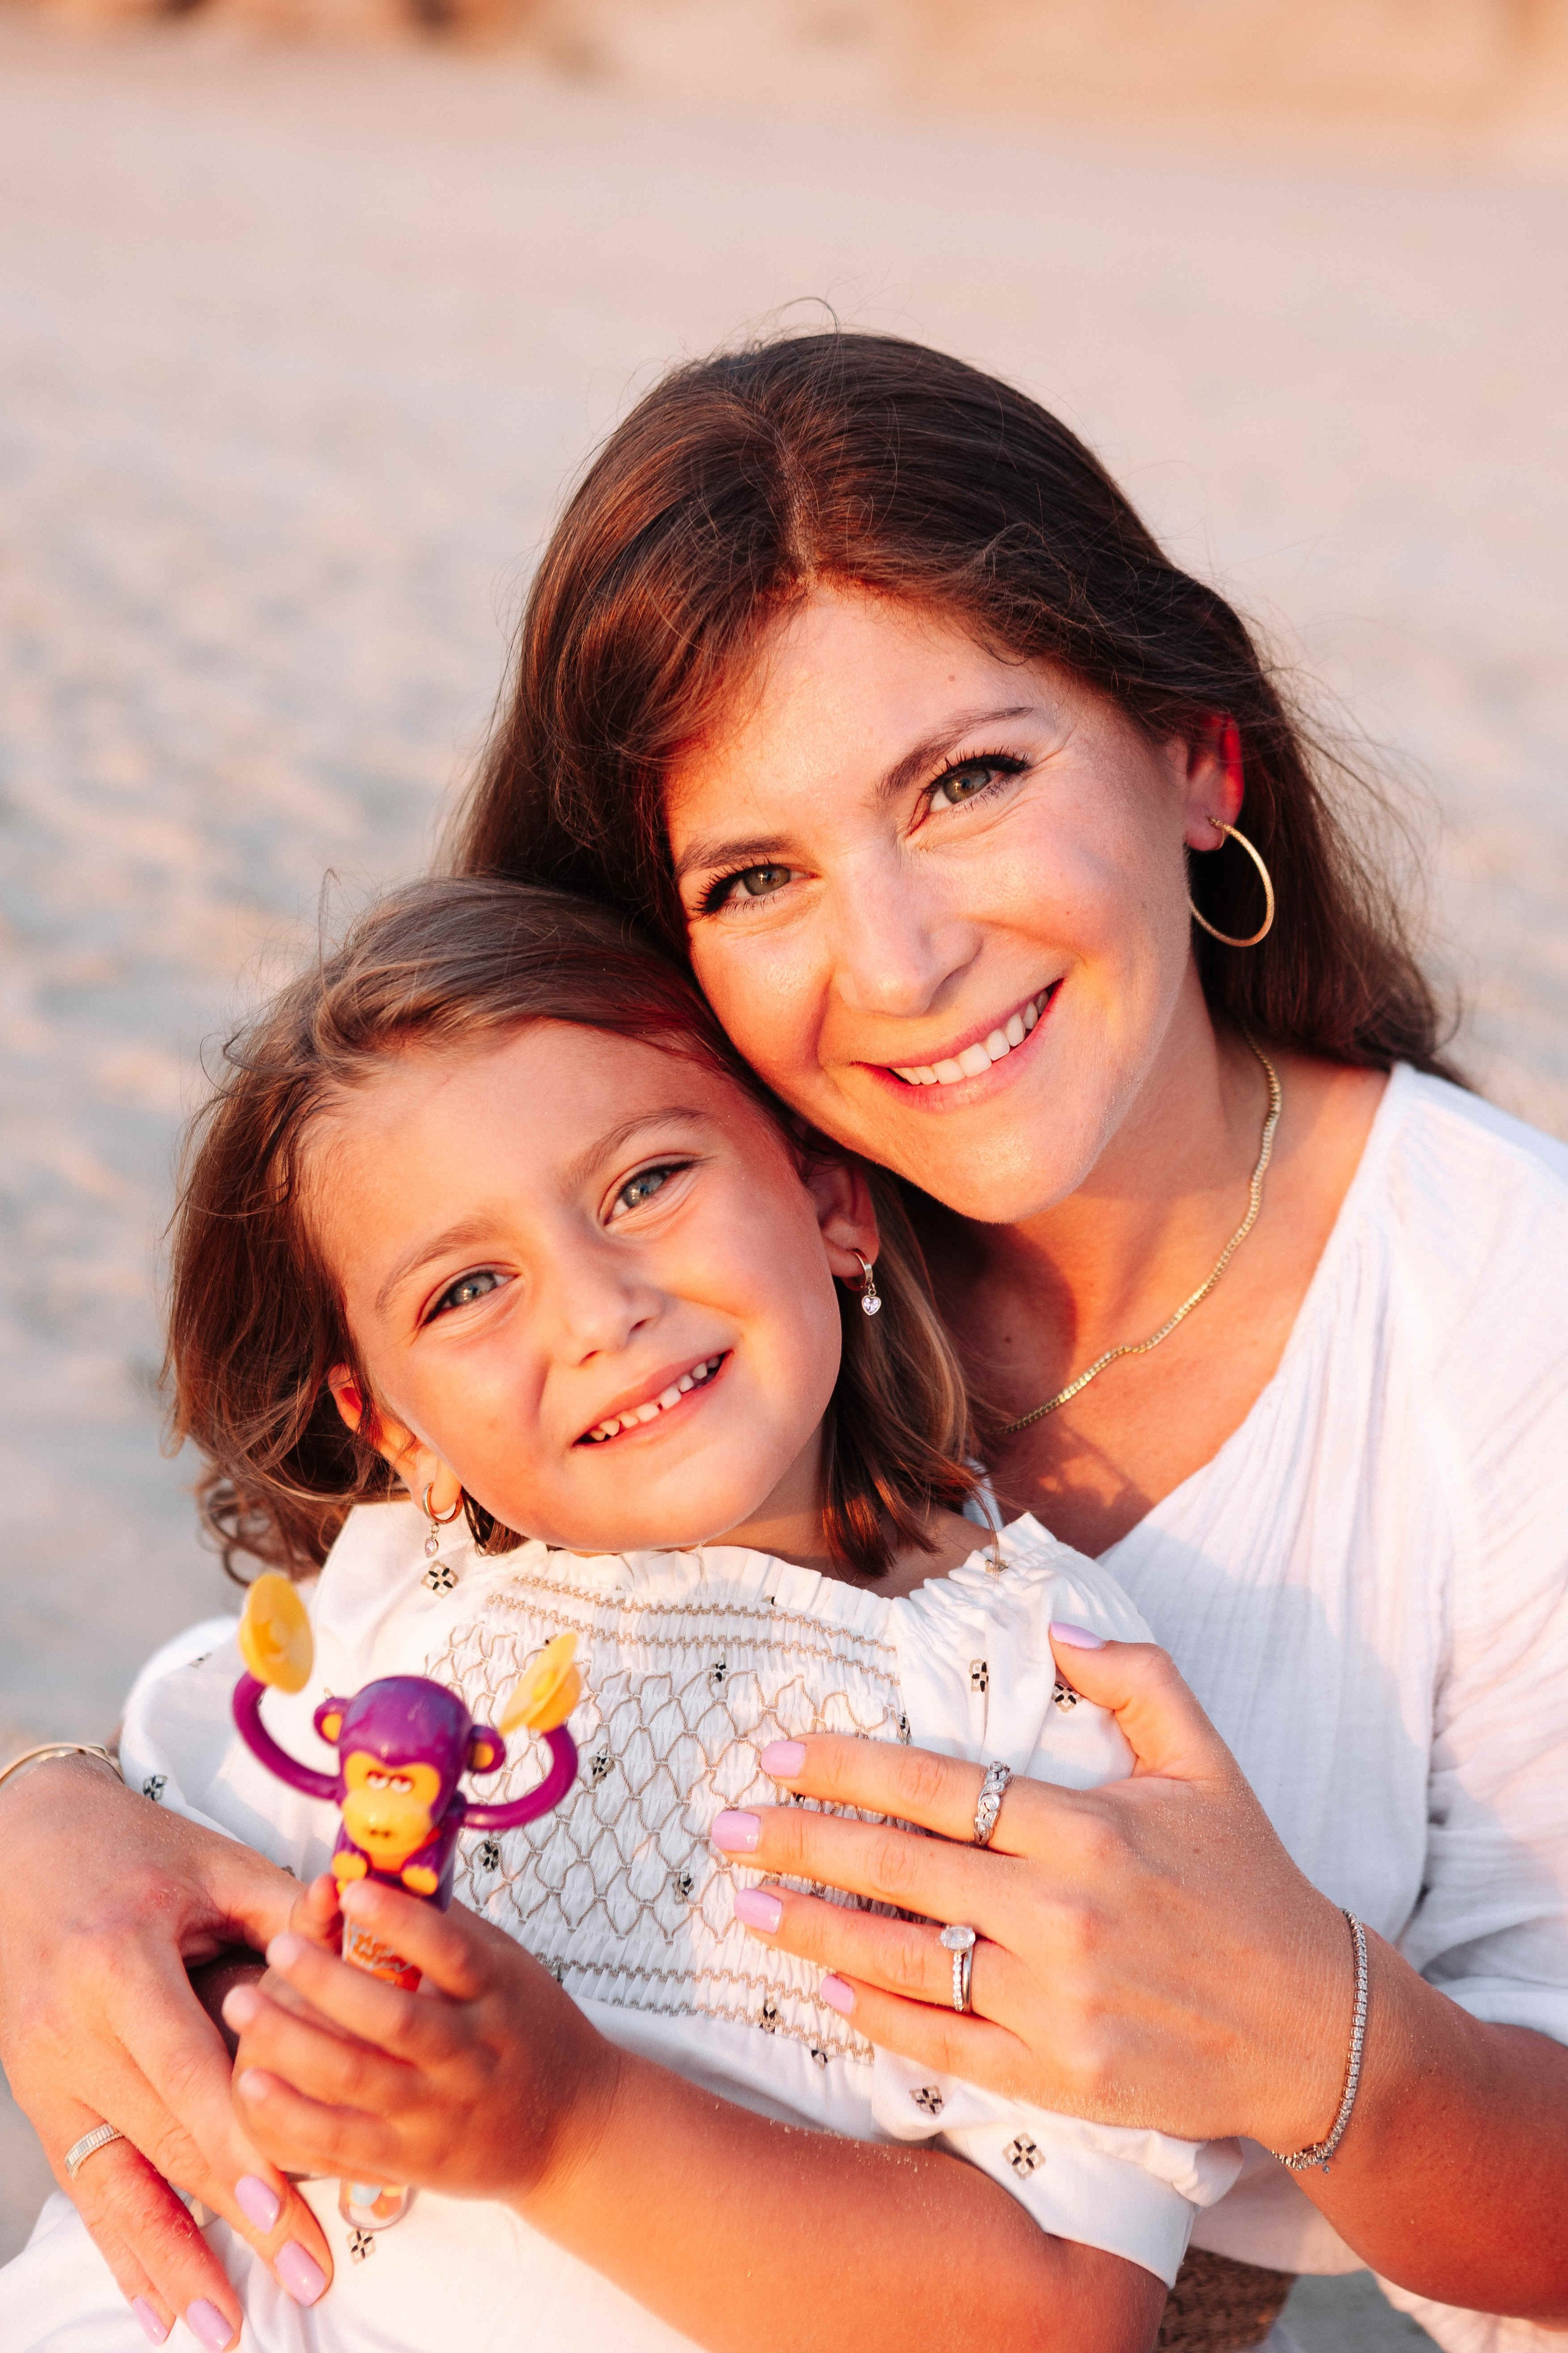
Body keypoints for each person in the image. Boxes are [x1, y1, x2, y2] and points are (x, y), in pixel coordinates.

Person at [2, 329, 1565, 2352]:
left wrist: (1323, 2039)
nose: (901, 964)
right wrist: (46, 1836)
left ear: (1201, 755)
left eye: (973, 780)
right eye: (758, 875)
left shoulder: (1495, 1312)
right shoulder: (640, 1224)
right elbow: (278, 1708)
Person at [3, 875, 1231, 2352]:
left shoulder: (1025, 1683)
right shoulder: (388, 1603)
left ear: (828, 1199)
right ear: (395, 1425)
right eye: (467, 1288)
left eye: (644, 1183)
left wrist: (566, 2128)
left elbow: (1065, 2308)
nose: (595, 1308)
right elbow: (97, 1918)